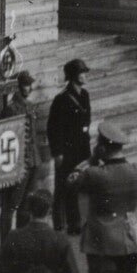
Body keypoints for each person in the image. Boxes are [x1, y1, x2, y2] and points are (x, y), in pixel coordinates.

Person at [76, 124, 137, 273]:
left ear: (101, 147)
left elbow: (71, 181)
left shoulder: (95, 174)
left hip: (101, 239)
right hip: (130, 237)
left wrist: (91, 160)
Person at [46, 58, 93, 235]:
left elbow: (86, 122)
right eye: (82, 73)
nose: (85, 76)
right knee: (62, 188)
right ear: (74, 76)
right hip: (66, 152)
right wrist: (57, 152)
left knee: (76, 187)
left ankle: (75, 224)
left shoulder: (85, 95)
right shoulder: (62, 99)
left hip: (81, 149)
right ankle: (59, 224)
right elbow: (53, 128)